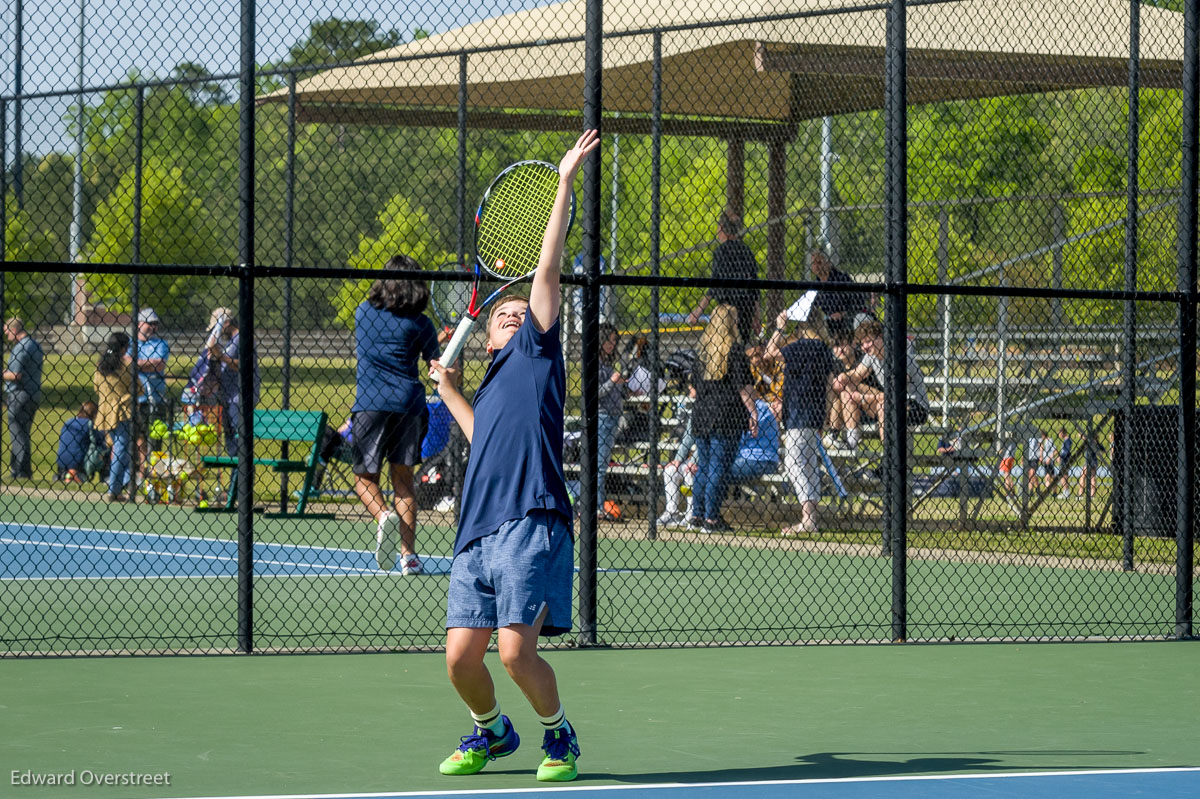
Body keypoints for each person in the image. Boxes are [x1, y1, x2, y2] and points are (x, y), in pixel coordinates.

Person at [428, 130, 597, 783]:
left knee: (515, 652)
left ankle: (559, 737)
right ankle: (492, 730)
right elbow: (483, 437)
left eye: (522, 312)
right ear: (488, 331)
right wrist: (449, 391)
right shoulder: (494, 380)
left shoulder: (537, 352)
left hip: (530, 518)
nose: (515, 316)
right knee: (460, 658)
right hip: (476, 530)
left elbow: (547, 270)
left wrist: (562, 184)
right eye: (506, 315)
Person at [352, 254, 440, 576]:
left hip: (370, 404)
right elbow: (436, 368)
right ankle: (409, 558)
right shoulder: (421, 324)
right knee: (403, 481)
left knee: (364, 479)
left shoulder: (363, 313)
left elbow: (385, 345)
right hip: (409, 405)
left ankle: (382, 515)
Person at [768, 306, 839, 535]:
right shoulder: (824, 349)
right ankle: (811, 518)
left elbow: (769, 352)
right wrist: (826, 416)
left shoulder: (801, 346)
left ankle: (808, 518)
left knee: (793, 463)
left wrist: (780, 327)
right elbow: (829, 386)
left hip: (798, 413)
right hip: (815, 413)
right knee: (808, 464)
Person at [689, 302, 757, 532]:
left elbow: (694, 388)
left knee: (705, 465)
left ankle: (697, 515)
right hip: (726, 414)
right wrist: (753, 412)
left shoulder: (703, 352)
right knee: (718, 467)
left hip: (702, 413)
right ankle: (711, 518)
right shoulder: (735, 351)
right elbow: (743, 387)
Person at [830, 319, 930, 452]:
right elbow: (857, 374)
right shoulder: (871, 356)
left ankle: (889, 459)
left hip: (914, 406)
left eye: (868, 341)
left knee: (884, 407)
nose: (864, 346)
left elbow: (896, 393)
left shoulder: (898, 356)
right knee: (846, 390)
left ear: (881, 338)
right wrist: (844, 377)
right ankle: (852, 440)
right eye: (862, 343)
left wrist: (864, 399)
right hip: (888, 402)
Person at [686, 207, 761, 344]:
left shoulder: (721, 252)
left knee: (725, 347)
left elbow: (714, 286)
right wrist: (757, 317)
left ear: (721, 228)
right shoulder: (747, 251)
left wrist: (698, 311)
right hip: (746, 310)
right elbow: (755, 290)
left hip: (727, 312)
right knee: (741, 344)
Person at [207, 308, 260, 457]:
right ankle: (236, 479)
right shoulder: (230, 341)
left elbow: (246, 365)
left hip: (240, 397)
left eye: (217, 328)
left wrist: (221, 356)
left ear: (227, 323)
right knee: (230, 443)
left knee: (239, 443)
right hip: (228, 396)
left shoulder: (243, 338)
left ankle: (243, 476)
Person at [94, 332, 134, 502]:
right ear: (124, 348)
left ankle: (117, 484)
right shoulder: (125, 366)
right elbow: (136, 387)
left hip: (105, 411)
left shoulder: (100, 366)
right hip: (122, 411)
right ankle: (115, 489)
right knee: (121, 448)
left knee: (116, 448)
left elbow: (96, 387)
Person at [3, 317, 44, 480]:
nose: (7, 336)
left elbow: (16, 374)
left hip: (19, 394)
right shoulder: (35, 345)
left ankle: (21, 470)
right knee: (23, 432)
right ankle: (21, 470)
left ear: (14, 330)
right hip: (33, 394)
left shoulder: (21, 347)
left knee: (17, 433)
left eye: (7, 332)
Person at [126, 308, 170, 459]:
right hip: (136, 399)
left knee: (157, 438)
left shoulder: (161, 344)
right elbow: (126, 363)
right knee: (139, 437)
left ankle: (154, 470)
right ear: (139, 324)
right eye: (149, 323)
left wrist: (136, 363)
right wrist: (149, 363)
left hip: (156, 397)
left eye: (155, 324)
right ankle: (141, 471)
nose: (153, 327)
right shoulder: (130, 342)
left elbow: (160, 365)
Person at [595, 322, 626, 522]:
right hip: (603, 417)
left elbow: (612, 392)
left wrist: (625, 388)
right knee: (598, 465)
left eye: (614, 341)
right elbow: (596, 393)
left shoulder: (608, 364)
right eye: (608, 340)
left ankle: (598, 504)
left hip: (613, 416)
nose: (611, 345)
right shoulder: (595, 364)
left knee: (603, 464)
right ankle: (596, 506)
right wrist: (612, 381)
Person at [657, 388, 697, 528]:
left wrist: (694, 460)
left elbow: (707, 442)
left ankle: (692, 514)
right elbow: (688, 438)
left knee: (689, 471)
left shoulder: (714, 407)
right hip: (691, 460)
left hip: (704, 459)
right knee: (670, 470)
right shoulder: (698, 409)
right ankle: (672, 512)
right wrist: (678, 459)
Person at [808, 249, 869, 338]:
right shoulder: (815, 285)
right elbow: (813, 308)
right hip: (828, 323)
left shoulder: (842, 278)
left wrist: (842, 313)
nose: (816, 266)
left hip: (848, 318)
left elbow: (859, 302)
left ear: (828, 263)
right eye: (813, 264)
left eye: (819, 263)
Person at [55, 402, 100, 483]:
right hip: (78, 461)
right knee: (103, 451)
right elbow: (99, 441)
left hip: (61, 460)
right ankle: (105, 478)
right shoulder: (89, 424)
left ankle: (66, 474)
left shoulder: (69, 421)